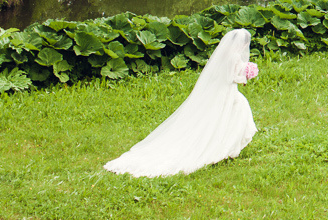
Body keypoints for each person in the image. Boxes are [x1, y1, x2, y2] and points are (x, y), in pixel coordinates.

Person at [105, 28, 257, 177]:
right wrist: (246, 75)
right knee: (238, 108)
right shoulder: (235, 57)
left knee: (229, 110)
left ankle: (228, 142)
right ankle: (227, 144)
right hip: (226, 91)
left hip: (221, 90)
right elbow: (231, 78)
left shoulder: (223, 54)